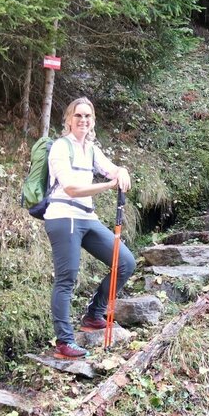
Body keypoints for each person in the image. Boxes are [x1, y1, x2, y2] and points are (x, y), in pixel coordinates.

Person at [43, 97, 137, 359]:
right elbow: (72, 189)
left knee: (125, 262)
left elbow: (111, 169)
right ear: (68, 120)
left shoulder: (91, 149)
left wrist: (122, 170)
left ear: (93, 121)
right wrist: (109, 185)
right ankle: (64, 342)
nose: (83, 120)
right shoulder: (61, 148)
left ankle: (93, 315)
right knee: (67, 278)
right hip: (63, 217)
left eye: (87, 116)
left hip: (87, 218)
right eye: (78, 116)